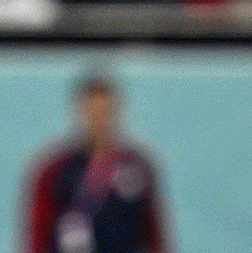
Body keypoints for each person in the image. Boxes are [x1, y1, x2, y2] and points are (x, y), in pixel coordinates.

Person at [24, 75, 171, 253]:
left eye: (105, 109)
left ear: (117, 109)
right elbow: (38, 236)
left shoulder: (137, 165)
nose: (99, 117)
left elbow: (152, 233)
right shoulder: (55, 169)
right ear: (80, 110)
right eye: (93, 110)